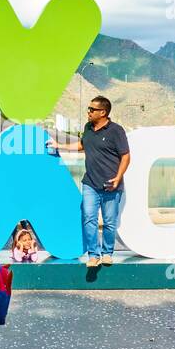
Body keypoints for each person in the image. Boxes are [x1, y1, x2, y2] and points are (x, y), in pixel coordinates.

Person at [50, 96, 130, 268]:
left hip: (111, 185)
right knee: (89, 218)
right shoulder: (88, 127)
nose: (88, 112)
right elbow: (82, 145)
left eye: (92, 109)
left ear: (103, 112)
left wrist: (118, 177)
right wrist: (59, 145)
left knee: (109, 222)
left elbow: (126, 156)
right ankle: (93, 255)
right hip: (90, 184)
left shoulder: (116, 130)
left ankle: (107, 253)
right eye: (89, 108)